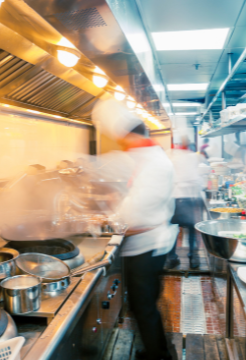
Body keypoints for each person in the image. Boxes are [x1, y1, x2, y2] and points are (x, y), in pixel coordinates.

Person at [92, 99, 177, 360]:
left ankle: (159, 355)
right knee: (143, 305)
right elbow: (130, 192)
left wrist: (107, 217)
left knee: (144, 306)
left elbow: (136, 211)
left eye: (123, 139)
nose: (123, 145)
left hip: (148, 246)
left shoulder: (155, 163)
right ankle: (155, 350)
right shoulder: (145, 155)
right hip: (145, 243)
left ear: (132, 135)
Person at [166, 139, 207, 269]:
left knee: (173, 228)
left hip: (174, 198)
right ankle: (193, 258)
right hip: (188, 198)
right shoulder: (192, 157)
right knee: (190, 229)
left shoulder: (172, 155)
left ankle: (171, 258)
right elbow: (198, 178)